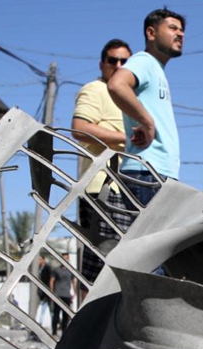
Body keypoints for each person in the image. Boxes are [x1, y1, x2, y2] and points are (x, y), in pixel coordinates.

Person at [71, 39, 133, 292]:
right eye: (112, 60)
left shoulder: (129, 98)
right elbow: (80, 128)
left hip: (126, 188)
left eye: (124, 62)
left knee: (121, 264)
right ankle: (88, 328)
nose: (118, 65)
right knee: (100, 264)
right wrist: (125, 138)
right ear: (102, 64)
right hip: (103, 188)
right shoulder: (96, 90)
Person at [108, 8, 185, 208]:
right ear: (151, 33)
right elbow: (117, 84)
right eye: (173, 28)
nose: (180, 33)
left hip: (156, 173)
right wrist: (147, 121)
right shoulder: (145, 61)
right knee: (151, 239)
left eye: (182, 30)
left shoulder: (156, 68)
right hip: (146, 173)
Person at [50, 253, 76, 337]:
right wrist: (52, 292)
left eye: (66, 258)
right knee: (56, 314)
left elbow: (73, 281)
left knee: (66, 315)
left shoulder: (70, 270)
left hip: (67, 295)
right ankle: (54, 332)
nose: (65, 260)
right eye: (63, 258)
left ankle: (64, 332)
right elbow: (52, 281)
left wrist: (74, 293)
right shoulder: (56, 270)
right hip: (58, 294)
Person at [36, 255, 53, 330]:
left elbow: (49, 280)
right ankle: (40, 322)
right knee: (43, 308)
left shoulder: (47, 268)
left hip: (46, 292)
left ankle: (42, 322)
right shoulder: (38, 268)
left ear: (43, 259)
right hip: (41, 292)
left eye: (40, 259)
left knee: (49, 309)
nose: (39, 261)